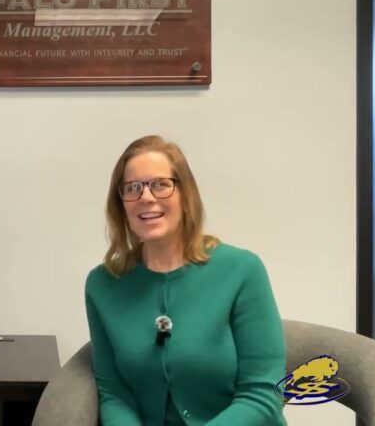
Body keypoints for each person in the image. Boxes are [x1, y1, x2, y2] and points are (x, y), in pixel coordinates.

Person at [85, 135, 286, 425]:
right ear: (122, 204)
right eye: (132, 187)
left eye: (161, 184)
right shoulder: (103, 284)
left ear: (186, 195)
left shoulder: (242, 270)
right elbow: (114, 392)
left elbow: (264, 393)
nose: (146, 197)